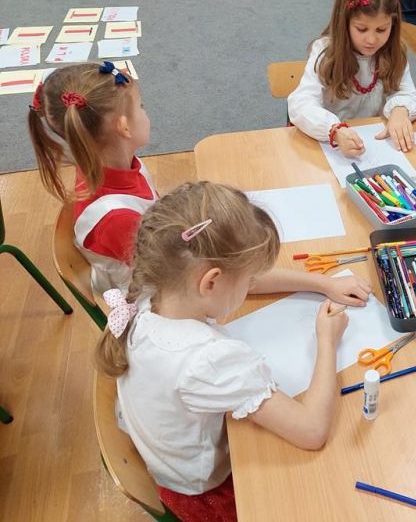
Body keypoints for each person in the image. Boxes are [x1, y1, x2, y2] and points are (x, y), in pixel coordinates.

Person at [95, 181, 353, 521]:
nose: (251, 287)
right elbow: (311, 431)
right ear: (211, 282)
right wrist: (327, 341)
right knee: (327, 489)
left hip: (166, 463)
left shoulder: (152, 290)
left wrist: (324, 283)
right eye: (247, 282)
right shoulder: (209, 359)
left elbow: (248, 276)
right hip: (206, 495)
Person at [28, 61, 156, 293]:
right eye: (141, 107)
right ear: (124, 127)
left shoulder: (110, 165)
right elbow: (164, 271)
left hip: (157, 251)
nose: (146, 113)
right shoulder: (117, 219)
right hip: (147, 293)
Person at [288, 0, 416, 156]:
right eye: (361, 29)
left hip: (373, 147)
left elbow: (407, 92)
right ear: (344, 22)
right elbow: (301, 103)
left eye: (381, 30)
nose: (371, 39)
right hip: (329, 148)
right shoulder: (325, 52)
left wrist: (400, 110)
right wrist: (334, 130)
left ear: (393, 23)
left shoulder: (393, 53)